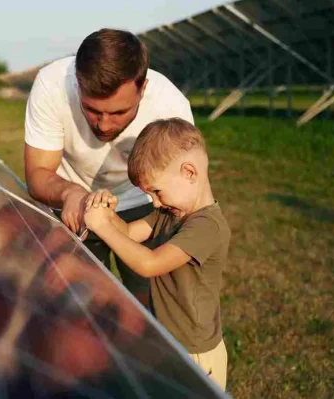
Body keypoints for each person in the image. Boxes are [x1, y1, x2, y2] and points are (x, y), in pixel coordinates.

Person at [24, 28, 194, 306]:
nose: (103, 125)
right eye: (92, 110)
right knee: (80, 310)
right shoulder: (52, 85)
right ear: (78, 84)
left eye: (118, 112)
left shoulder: (170, 108)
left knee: (150, 304)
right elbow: (37, 175)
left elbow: (183, 196)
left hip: (145, 207)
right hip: (75, 210)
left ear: (143, 88)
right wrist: (71, 194)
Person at [83, 118, 230, 390]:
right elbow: (127, 233)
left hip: (196, 351)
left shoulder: (206, 226)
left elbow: (150, 264)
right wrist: (108, 212)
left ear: (189, 172)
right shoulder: (168, 213)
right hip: (171, 342)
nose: (154, 201)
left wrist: (103, 227)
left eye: (156, 191)